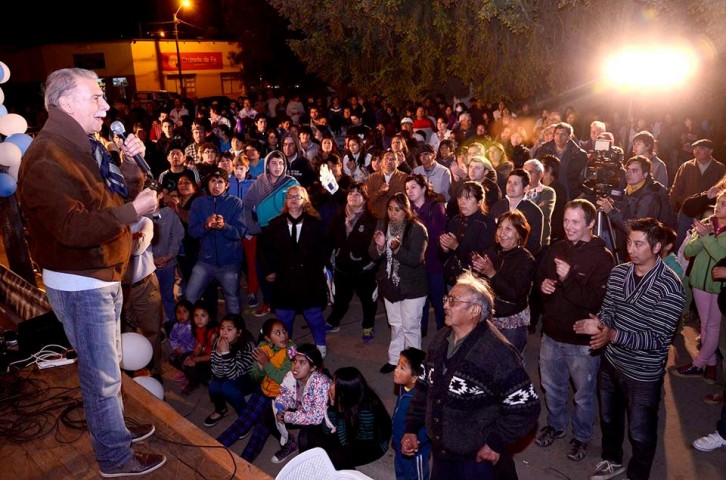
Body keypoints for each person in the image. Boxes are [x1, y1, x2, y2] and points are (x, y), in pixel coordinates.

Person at [17, 67, 164, 476]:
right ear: (65, 102)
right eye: (96, 97)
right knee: (101, 378)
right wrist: (134, 212)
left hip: (101, 274)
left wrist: (130, 165)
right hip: (82, 283)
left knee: (109, 368)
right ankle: (115, 457)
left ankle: (115, 430)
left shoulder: (84, 146)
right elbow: (72, 227)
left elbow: (112, 198)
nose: (105, 106)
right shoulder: (46, 157)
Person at [574, 218, 685, 480]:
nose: (630, 250)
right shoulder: (619, 272)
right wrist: (600, 324)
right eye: (628, 243)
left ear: (656, 247)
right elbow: (609, 309)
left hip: (642, 373)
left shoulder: (670, 286)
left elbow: (657, 339)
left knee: (640, 431)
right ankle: (612, 460)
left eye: (638, 244)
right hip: (612, 362)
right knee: (609, 419)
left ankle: (638, 474)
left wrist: (612, 335)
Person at [402, 271, 541, 479]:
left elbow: (527, 406)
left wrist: (495, 443)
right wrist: (412, 427)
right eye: (447, 299)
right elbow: (423, 387)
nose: (445, 305)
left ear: (474, 311)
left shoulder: (496, 353)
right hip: (442, 456)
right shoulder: (441, 339)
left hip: (476, 461)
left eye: (453, 301)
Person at [535, 199, 614, 462]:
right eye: (566, 220)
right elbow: (541, 276)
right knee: (552, 387)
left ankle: (581, 437)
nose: (568, 226)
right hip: (551, 334)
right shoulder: (557, 247)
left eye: (575, 222)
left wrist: (568, 279)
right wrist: (543, 285)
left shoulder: (603, 258)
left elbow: (594, 301)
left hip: (581, 343)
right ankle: (557, 425)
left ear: (590, 223)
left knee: (583, 395)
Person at [260, 185, 330, 357]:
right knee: (284, 317)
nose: (293, 199)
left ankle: (320, 345)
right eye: (290, 196)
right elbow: (266, 250)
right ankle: (285, 348)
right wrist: (269, 270)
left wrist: (321, 269)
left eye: (297, 196)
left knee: (313, 315)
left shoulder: (316, 224)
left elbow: (324, 250)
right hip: (285, 279)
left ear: (305, 201)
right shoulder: (275, 224)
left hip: (309, 279)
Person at [217, 318, 294, 462]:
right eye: (277, 333)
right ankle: (214, 447)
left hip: (280, 397)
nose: (283, 335)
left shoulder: (291, 351)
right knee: (244, 420)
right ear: (267, 338)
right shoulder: (262, 348)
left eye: (284, 331)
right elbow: (254, 377)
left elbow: (283, 379)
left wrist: (266, 364)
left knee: (260, 430)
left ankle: (244, 463)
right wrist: (260, 369)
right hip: (263, 390)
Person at [369, 193, 429, 374]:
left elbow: (415, 259)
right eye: (390, 209)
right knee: (396, 325)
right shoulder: (383, 225)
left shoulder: (417, 229)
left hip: (412, 287)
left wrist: (396, 249)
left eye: (397, 210)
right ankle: (395, 359)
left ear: (406, 211)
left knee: (410, 327)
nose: (393, 214)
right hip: (391, 285)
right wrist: (380, 246)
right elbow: (372, 253)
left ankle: (413, 365)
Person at [673, 191, 726, 382]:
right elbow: (689, 250)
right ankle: (710, 365)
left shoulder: (710, 230)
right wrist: (704, 235)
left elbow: (722, 257)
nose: (718, 206)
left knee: (712, 326)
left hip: (719, 286)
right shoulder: (706, 223)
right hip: (699, 283)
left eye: (724, 204)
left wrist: (708, 237)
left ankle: (698, 364)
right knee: (704, 325)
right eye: (718, 202)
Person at [243, 150, 300, 317]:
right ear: (267, 165)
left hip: (286, 234)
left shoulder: (291, 183)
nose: (278, 167)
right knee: (264, 270)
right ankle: (268, 302)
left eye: (281, 163)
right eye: (274, 163)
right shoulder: (258, 183)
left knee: (287, 270)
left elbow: (302, 205)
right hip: (265, 234)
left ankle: (287, 303)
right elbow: (246, 206)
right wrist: (253, 227)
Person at [302, 366, 392, 469]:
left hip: (369, 445)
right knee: (305, 434)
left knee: (334, 457)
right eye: (333, 381)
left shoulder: (366, 411)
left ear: (345, 391)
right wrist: (332, 406)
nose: (331, 386)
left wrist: (339, 411)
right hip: (349, 432)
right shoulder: (343, 399)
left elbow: (345, 442)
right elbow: (326, 430)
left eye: (335, 384)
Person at [471, 210, 535, 352]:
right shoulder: (492, 251)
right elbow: (482, 285)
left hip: (511, 323)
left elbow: (515, 294)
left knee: (509, 362)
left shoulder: (526, 260)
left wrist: (491, 273)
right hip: (489, 319)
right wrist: (478, 269)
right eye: (500, 227)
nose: (502, 233)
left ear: (519, 233)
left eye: (508, 229)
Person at [185, 168, 246, 315]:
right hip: (205, 261)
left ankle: (234, 327)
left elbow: (239, 233)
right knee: (189, 296)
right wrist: (206, 226)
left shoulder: (236, 203)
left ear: (227, 185)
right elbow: (192, 232)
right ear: (208, 183)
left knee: (232, 299)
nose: (216, 186)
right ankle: (188, 327)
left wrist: (224, 227)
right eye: (213, 181)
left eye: (220, 182)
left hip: (230, 262)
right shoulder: (198, 203)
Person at [325, 182, 379, 341]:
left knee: (368, 300)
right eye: (350, 193)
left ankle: (368, 326)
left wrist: (373, 264)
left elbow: (377, 247)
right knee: (340, 298)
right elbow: (329, 239)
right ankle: (334, 321)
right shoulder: (338, 216)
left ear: (365, 198)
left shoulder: (372, 219)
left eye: (358, 194)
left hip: (364, 269)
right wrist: (328, 261)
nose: (353, 196)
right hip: (342, 268)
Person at [271, 343, 333, 464]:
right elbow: (286, 394)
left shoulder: (321, 384)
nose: (296, 367)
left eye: (302, 363)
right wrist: (281, 406)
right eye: (294, 361)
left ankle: (312, 463)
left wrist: (287, 416)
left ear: (313, 367)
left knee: (304, 439)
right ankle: (289, 443)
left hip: (321, 420)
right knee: (268, 415)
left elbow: (316, 417)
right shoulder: (291, 376)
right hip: (302, 409)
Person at [406, 174, 447, 336]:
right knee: (419, 302)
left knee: (438, 301)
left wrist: (418, 223)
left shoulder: (436, 207)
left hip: (434, 263)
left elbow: (437, 233)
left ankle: (443, 333)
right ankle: (420, 332)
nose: (409, 191)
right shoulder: (407, 209)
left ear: (423, 188)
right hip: (416, 265)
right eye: (407, 188)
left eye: (413, 187)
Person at [204, 314, 257, 427]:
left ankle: (245, 417)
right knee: (213, 385)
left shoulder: (247, 345)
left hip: (247, 378)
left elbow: (234, 375)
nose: (224, 332)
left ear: (239, 332)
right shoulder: (218, 342)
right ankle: (221, 409)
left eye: (229, 329)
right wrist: (219, 353)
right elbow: (217, 373)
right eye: (222, 328)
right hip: (229, 372)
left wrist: (226, 353)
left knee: (228, 387)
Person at [440, 181, 496, 287]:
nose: (462, 202)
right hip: (452, 279)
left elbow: (481, 260)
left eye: (468, 198)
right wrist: (444, 249)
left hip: (474, 283)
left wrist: (456, 247)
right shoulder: (455, 220)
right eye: (460, 198)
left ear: (479, 202)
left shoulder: (486, 223)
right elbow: (443, 257)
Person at [392, 347, 431, 480]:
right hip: (399, 444)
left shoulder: (419, 402)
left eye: (402, 368)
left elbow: (426, 428)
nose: (396, 370)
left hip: (414, 451)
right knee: (401, 471)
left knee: (415, 475)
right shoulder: (404, 388)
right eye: (398, 364)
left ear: (415, 378)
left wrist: (415, 444)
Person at [180, 301, 218, 393]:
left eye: (203, 315)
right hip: (206, 355)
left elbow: (213, 356)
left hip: (217, 361)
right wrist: (192, 356)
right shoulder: (199, 328)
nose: (198, 319)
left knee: (190, 367)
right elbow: (199, 346)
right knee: (183, 359)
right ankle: (196, 379)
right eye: (196, 315)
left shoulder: (214, 333)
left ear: (210, 318)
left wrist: (196, 360)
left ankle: (208, 380)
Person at [366, 150, 409, 219]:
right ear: (382, 161)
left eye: (393, 159)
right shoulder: (372, 178)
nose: (389, 161)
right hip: (375, 217)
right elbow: (367, 199)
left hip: (397, 218)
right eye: (386, 158)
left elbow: (406, 200)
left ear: (398, 163)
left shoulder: (404, 178)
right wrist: (378, 192)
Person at [167, 299, 196, 374]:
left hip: (192, 351)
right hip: (180, 350)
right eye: (178, 312)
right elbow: (173, 338)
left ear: (191, 313)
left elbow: (194, 343)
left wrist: (183, 350)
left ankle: (186, 371)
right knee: (171, 358)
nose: (181, 315)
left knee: (188, 362)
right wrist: (176, 347)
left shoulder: (193, 326)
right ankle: (183, 370)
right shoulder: (176, 326)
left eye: (185, 311)